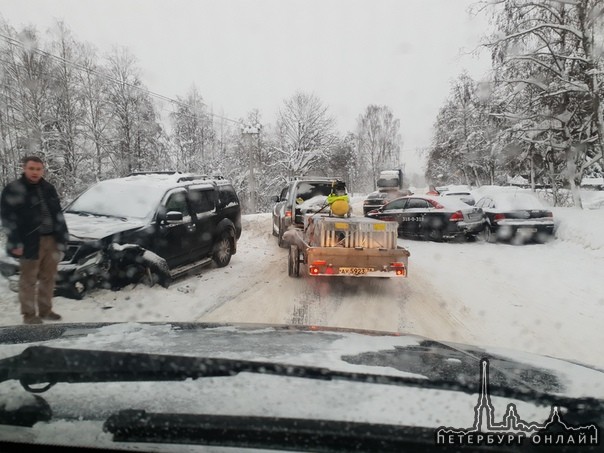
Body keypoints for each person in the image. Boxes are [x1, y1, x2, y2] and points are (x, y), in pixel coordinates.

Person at [1, 156, 69, 324]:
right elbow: (8, 218)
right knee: (28, 279)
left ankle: (46, 310)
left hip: (51, 239)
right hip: (29, 241)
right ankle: (29, 315)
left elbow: (58, 215)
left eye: (38, 169)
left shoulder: (48, 188)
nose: (35, 172)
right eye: (31, 169)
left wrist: (63, 237)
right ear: (24, 169)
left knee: (48, 277)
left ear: (42, 170)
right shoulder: (14, 189)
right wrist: (15, 242)